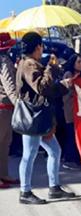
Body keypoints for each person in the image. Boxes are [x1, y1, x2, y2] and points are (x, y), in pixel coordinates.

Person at [16, 32, 76, 205]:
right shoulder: (28, 64)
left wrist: (61, 81)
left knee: (54, 152)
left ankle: (54, 188)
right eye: (41, 46)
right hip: (33, 117)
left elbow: (48, 88)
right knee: (29, 154)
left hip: (40, 118)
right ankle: (25, 191)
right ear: (37, 47)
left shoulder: (31, 63)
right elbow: (42, 88)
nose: (42, 50)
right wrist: (50, 67)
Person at [61, 54, 81, 170]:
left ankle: (79, 159)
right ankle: (70, 160)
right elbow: (66, 92)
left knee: (79, 135)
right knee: (72, 135)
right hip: (70, 110)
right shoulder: (68, 75)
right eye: (79, 62)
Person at [0, 33, 19, 189]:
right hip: (4, 107)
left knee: (5, 143)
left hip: (4, 107)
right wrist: (18, 104)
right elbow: (9, 86)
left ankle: (4, 174)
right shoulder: (4, 61)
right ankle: (3, 174)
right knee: (4, 143)